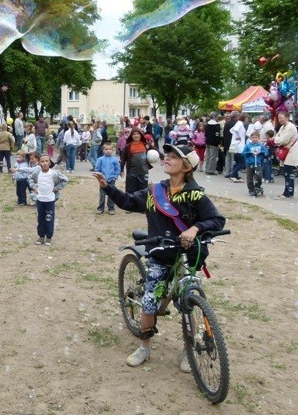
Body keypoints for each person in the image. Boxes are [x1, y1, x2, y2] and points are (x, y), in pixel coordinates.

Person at [94, 144, 225, 370]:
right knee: (150, 300)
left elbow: (217, 220)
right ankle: (145, 346)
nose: (167, 159)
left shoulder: (196, 194)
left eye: (174, 157)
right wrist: (108, 188)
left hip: (187, 257)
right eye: (167, 156)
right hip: (160, 254)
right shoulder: (155, 191)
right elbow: (128, 202)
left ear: (186, 167)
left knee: (189, 303)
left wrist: (195, 229)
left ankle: (189, 350)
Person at [29, 154, 68, 246]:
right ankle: (41, 236)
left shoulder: (54, 173)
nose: (45, 163)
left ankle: (49, 237)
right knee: (41, 219)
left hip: (50, 200)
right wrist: (34, 187)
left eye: (47, 161)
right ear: (39, 163)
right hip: (40, 200)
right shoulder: (37, 173)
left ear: (50, 163)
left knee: (49, 219)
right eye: (42, 161)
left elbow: (65, 180)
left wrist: (56, 188)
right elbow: (30, 178)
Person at [273, 111, 298, 200]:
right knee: (287, 173)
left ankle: (287, 193)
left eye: (281, 118)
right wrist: (278, 139)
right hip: (286, 152)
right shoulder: (283, 127)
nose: (279, 120)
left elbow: (282, 140)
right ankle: (289, 192)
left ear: (287, 117)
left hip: (290, 152)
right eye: (279, 118)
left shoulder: (290, 127)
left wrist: (277, 140)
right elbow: (277, 137)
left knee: (288, 172)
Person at [94, 142, 121, 214]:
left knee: (112, 194)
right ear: (103, 150)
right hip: (103, 180)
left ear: (112, 150)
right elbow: (97, 169)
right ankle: (100, 208)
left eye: (110, 149)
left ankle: (111, 208)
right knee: (102, 194)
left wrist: (115, 176)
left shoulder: (115, 160)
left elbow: (117, 169)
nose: (108, 151)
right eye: (106, 149)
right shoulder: (100, 159)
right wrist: (100, 178)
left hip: (111, 180)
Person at [120, 127, 149, 194]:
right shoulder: (128, 147)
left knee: (143, 192)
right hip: (131, 173)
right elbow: (123, 158)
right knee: (130, 192)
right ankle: (130, 204)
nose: (136, 135)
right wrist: (121, 169)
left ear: (141, 135)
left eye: (138, 134)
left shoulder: (145, 145)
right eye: (134, 134)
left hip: (143, 173)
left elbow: (155, 150)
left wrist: (162, 157)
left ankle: (141, 204)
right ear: (131, 136)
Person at [226, 112, 247, 182]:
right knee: (242, 162)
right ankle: (233, 174)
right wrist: (239, 137)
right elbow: (235, 130)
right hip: (239, 146)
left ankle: (235, 175)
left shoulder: (238, 123)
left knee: (237, 161)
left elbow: (231, 130)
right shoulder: (240, 123)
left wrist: (235, 136)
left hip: (235, 145)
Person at [243, 130, 265, 197]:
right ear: (250, 138)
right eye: (253, 137)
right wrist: (250, 153)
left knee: (259, 177)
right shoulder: (248, 146)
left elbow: (266, 152)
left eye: (256, 137)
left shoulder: (261, 146)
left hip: (258, 164)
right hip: (249, 164)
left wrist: (260, 152)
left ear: (259, 138)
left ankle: (258, 187)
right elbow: (243, 153)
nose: (254, 139)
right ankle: (251, 190)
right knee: (249, 178)